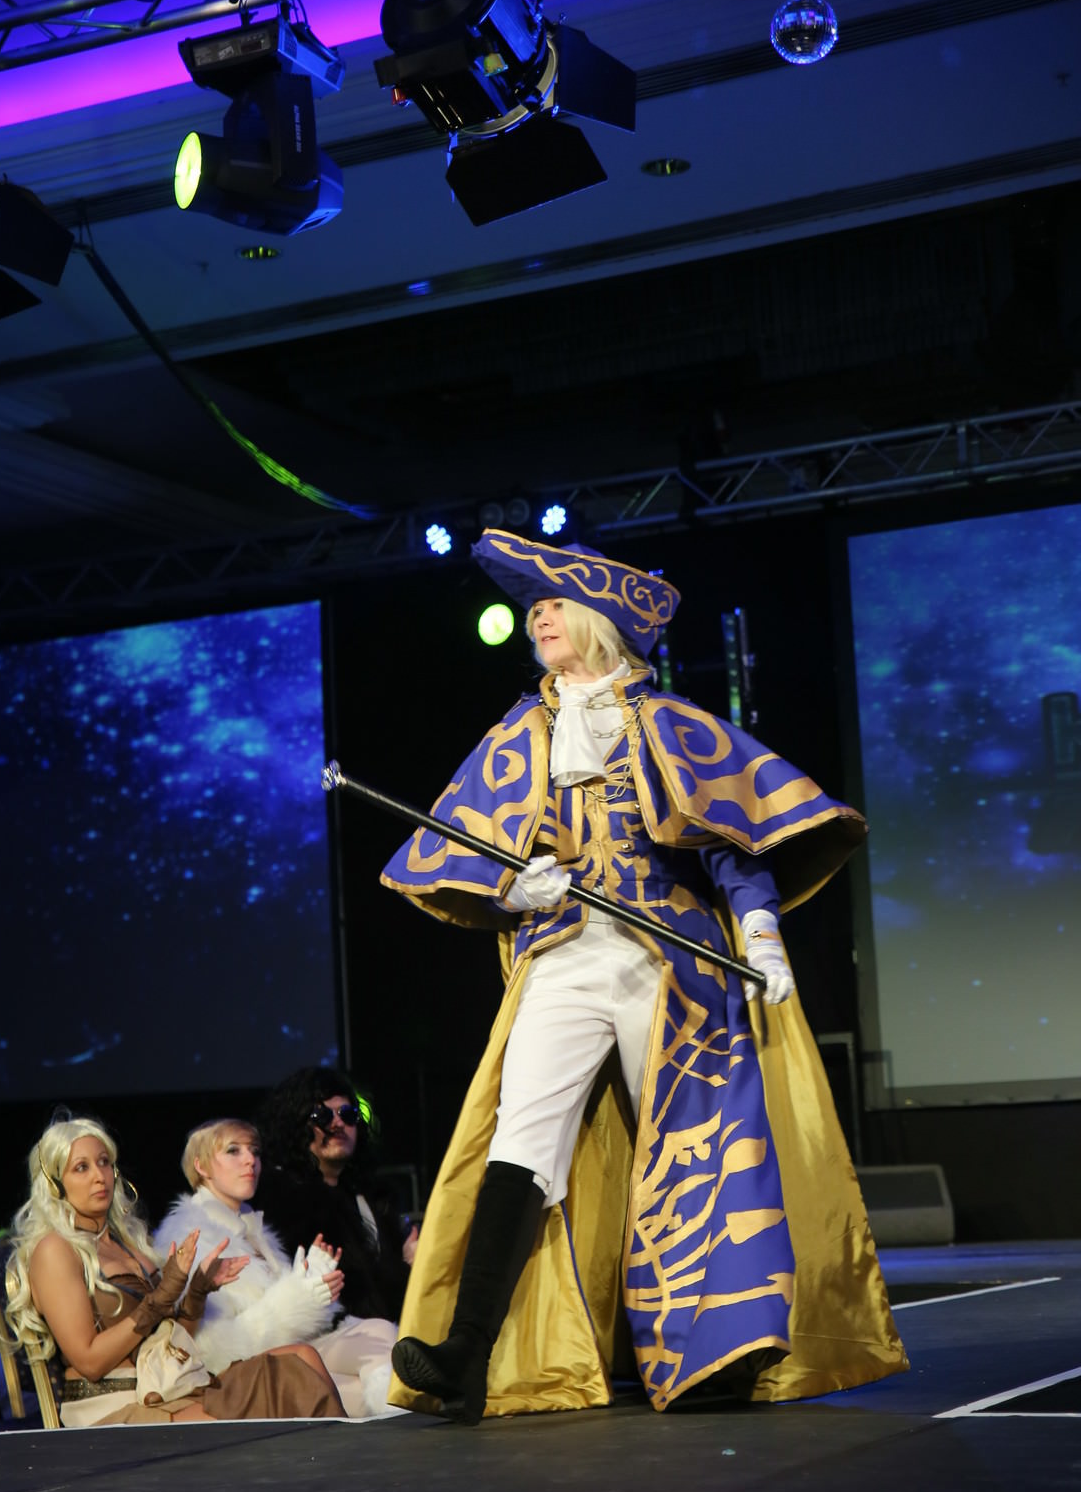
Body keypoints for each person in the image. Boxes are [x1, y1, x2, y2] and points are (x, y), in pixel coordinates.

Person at [381, 527, 908, 1424]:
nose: (538, 616)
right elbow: (470, 853)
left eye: (555, 602)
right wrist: (515, 889)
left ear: (600, 620)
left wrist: (761, 937)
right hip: (563, 955)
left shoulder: (669, 722)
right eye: (533, 607)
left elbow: (734, 840)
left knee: (695, 1144)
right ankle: (465, 1354)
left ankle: (717, 1354)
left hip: (669, 960)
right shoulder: (519, 733)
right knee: (521, 1136)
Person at [4, 1111, 345, 1427]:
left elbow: (173, 1339)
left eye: (104, 1162)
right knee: (282, 1385)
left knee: (302, 1357)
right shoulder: (55, 1250)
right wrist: (161, 1298)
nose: (99, 1176)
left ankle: (347, 1461)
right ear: (55, 1183)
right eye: (81, 1168)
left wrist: (198, 1290)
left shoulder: (127, 1242)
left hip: (169, 1385)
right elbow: (90, 1361)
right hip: (116, 1406)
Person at [154, 1116, 399, 1418]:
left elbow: (293, 1308)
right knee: (363, 1388)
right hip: (241, 1373)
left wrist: (313, 1282)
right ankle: (399, 1425)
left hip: (295, 1349)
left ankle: (398, 1419)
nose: (250, 1161)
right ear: (201, 1167)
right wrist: (299, 1297)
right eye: (233, 1151)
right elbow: (214, 1348)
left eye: (254, 1151)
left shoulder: (252, 1227)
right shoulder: (189, 1234)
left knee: (379, 1333)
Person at [259, 1067, 417, 1327]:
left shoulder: (370, 1199)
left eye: (347, 1114)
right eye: (321, 1115)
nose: (337, 1123)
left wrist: (411, 1264)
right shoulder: (284, 1203)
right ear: (296, 1124)